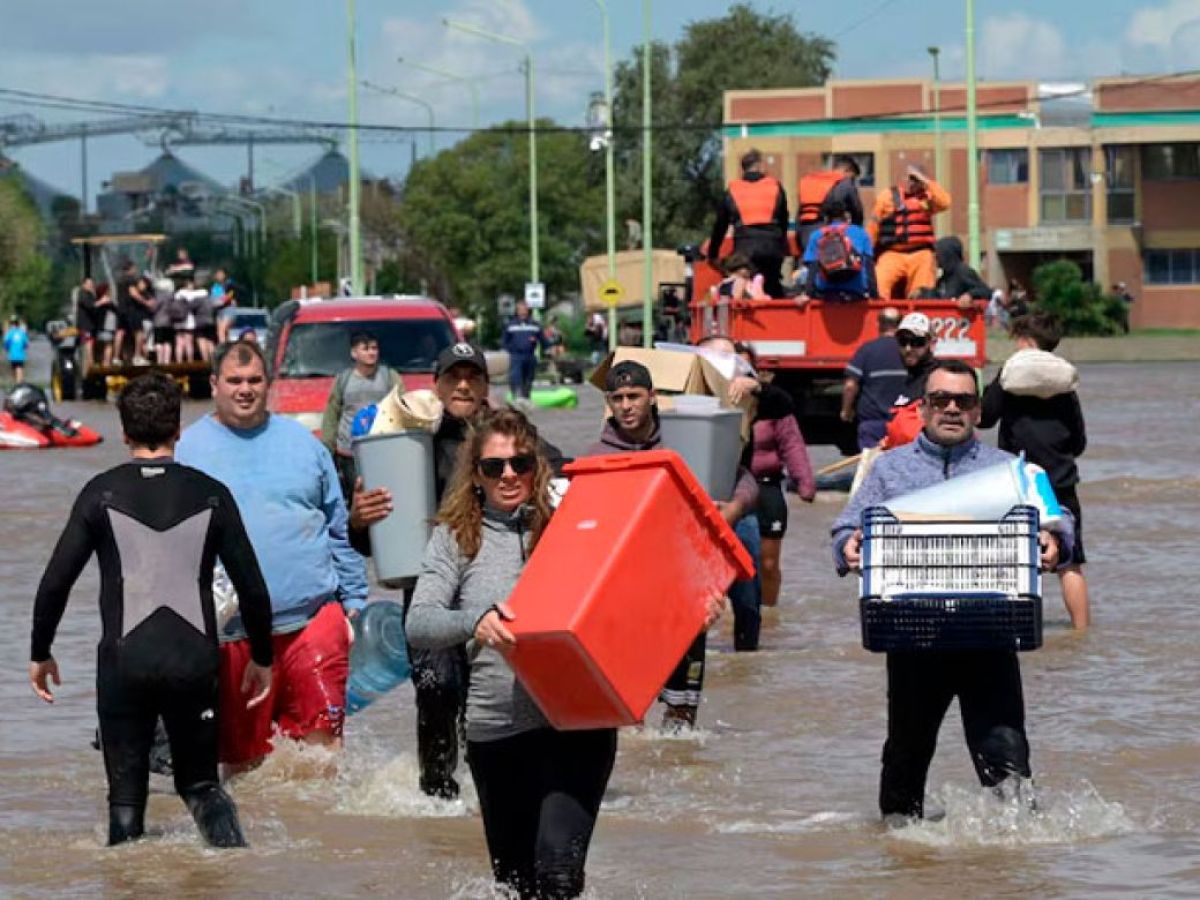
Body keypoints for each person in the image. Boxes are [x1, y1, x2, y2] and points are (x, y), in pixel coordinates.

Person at [407, 410, 694, 898]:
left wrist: (691, 607)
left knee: (559, 875)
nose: (509, 476)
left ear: (536, 466)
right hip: (496, 728)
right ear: (475, 474)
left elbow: (639, 595)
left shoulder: (574, 525)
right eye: (495, 467)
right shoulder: (455, 538)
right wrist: (473, 620)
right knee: (516, 885)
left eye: (520, 463)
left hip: (577, 723)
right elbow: (419, 623)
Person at [29, 373, 274, 847]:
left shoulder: (99, 493)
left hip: (124, 665)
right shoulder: (211, 492)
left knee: (125, 803)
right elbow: (253, 589)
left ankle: (127, 885)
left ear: (123, 433)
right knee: (202, 786)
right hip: (193, 663)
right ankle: (236, 871)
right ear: (178, 429)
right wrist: (262, 657)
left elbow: (54, 582)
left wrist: (41, 652)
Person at [831, 359, 1072, 823]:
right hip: (912, 635)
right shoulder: (888, 471)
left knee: (1006, 758)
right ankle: (902, 859)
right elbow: (844, 527)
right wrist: (849, 545)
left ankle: (1015, 863)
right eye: (940, 399)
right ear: (923, 409)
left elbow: (1058, 518)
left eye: (963, 400)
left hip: (992, 633)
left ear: (978, 411)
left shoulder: (1012, 470)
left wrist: (1055, 540)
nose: (951, 409)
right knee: (905, 753)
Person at [349, 342, 565, 799]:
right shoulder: (407, 441)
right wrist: (358, 520)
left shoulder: (510, 439)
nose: (463, 385)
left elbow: (561, 475)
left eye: (473, 377)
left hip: (498, 589)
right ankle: (439, 796)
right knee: (437, 691)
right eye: (453, 377)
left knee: (499, 694)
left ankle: (494, 788)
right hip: (432, 590)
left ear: (487, 386)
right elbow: (375, 542)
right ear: (437, 384)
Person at [176, 340, 368, 771]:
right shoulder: (187, 452)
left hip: (314, 620)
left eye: (254, 381)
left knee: (322, 757)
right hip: (231, 634)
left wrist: (354, 602)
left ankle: (320, 837)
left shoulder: (305, 444)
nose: (245, 390)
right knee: (244, 766)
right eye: (235, 381)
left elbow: (338, 528)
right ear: (214, 385)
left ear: (269, 385)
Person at [586, 359, 754, 726]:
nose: (626, 405)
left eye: (634, 396)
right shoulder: (597, 458)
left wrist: (734, 509)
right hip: (626, 597)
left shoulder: (686, 442)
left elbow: (743, 480)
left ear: (653, 398)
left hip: (684, 590)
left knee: (681, 719)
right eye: (617, 398)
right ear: (609, 404)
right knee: (630, 713)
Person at [980, 311, 1089, 629]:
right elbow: (1079, 439)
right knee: (1070, 563)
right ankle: (1081, 634)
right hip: (1062, 482)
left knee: (1016, 559)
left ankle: (1016, 630)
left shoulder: (1009, 376)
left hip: (1018, 482)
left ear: (1026, 341)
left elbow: (985, 417)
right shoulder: (1064, 386)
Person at [733, 342, 815, 608]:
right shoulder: (714, 401)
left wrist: (804, 482)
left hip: (766, 487)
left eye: (746, 370)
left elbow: (792, 443)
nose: (739, 376)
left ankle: (769, 614)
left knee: (768, 563)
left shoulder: (772, 404)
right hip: (731, 489)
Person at [320, 330, 405, 503]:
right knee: (357, 499)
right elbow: (332, 414)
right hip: (349, 453)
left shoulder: (389, 377)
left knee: (382, 497)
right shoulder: (343, 380)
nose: (371, 352)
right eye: (365, 348)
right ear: (354, 353)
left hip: (381, 450)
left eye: (374, 348)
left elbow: (403, 407)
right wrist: (327, 450)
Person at [708, 148, 789, 298]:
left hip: (744, 250)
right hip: (772, 249)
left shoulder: (732, 190)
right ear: (759, 166)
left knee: (745, 289)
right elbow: (783, 221)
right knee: (772, 287)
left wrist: (712, 254)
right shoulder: (775, 186)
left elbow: (720, 226)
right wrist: (782, 246)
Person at [867, 166, 951, 300]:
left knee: (922, 291)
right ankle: (882, 314)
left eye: (915, 179)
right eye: (910, 178)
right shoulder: (887, 196)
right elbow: (873, 225)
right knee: (878, 284)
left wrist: (926, 182)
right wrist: (868, 253)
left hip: (921, 253)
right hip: (893, 253)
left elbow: (945, 202)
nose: (912, 182)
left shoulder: (927, 199)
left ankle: (918, 314)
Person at [841, 307, 907, 450]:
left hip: (873, 424)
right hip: (903, 424)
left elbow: (850, 386)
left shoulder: (867, 350)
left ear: (878, 325)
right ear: (901, 326)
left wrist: (846, 411)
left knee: (872, 467)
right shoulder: (909, 352)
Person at [798, 200, 876, 301]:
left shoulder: (816, 235)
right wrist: (874, 296)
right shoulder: (861, 233)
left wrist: (808, 294)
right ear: (846, 216)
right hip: (855, 294)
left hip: (826, 295)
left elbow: (812, 270)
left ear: (826, 218)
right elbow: (869, 267)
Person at [882, 312, 938, 449]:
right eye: (903, 341)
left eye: (917, 342)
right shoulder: (907, 380)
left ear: (931, 344)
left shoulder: (938, 378)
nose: (908, 348)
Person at [795, 155, 864, 254]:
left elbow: (800, 213)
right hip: (827, 234)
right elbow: (857, 211)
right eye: (853, 178)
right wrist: (857, 233)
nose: (853, 183)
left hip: (804, 233)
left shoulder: (812, 182)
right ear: (847, 171)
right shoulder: (845, 183)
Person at [919, 236, 991, 307]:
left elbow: (985, 291)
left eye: (938, 253)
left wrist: (970, 295)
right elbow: (939, 296)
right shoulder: (945, 277)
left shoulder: (963, 271)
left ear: (947, 255)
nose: (935, 256)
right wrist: (922, 292)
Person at [503, 300, 548, 400]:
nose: (523, 312)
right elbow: (505, 341)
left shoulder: (535, 325)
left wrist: (547, 348)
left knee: (528, 378)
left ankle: (526, 396)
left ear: (528, 311)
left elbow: (543, 340)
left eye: (525, 310)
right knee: (516, 376)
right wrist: (509, 351)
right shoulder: (510, 325)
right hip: (516, 356)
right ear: (517, 311)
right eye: (521, 310)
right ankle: (517, 396)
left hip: (530, 355)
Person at [4, 315, 29, 383]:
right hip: (21, 355)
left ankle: (17, 383)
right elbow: (26, 345)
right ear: (18, 323)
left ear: (10, 324)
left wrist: (7, 348)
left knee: (15, 369)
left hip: (12, 355)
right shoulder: (22, 333)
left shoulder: (9, 333)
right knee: (19, 368)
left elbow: (6, 345)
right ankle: (19, 383)